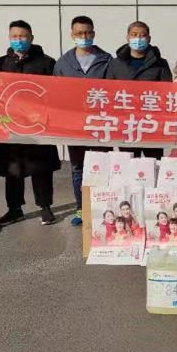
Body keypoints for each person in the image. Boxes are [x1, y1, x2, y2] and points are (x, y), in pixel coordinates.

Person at [0, 20, 61, 227]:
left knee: (41, 167)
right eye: (14, 36)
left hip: (38, 125)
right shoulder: (0, 64)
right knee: (12, 168)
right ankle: (14, 209)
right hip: (10, 124)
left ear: (31, 38)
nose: (18, 40)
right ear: (9, 38)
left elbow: (56, 93)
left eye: (23, 36)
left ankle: (45, 206)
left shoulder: (47, 63)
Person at [53, 15, 112, 226]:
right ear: (72, 35)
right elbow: (56, 95)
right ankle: (82, 208)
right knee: (78, 168)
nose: (84, 36)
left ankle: (104, 208)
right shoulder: (63, 63)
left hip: (101, 125)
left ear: (93, 33)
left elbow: (116, 92)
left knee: (102, 166)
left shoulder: (107, 60)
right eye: (79, 33)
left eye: (87, 32)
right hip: (74, 126)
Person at [106, 21, 172, 160]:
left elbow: (167, 93)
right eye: (134, 35)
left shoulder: (160, 63)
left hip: (152, 123)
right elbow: (109, 92)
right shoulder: (116, 63)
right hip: (126, 123)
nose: (138, 39)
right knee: (128, 162)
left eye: (142, 35)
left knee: (154, 162)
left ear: (149, 38)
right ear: (128, 37)